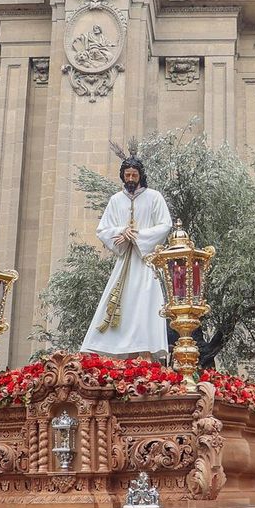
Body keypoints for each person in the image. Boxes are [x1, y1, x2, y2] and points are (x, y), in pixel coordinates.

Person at [80, 153, 174, 359]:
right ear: (122, 176)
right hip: (124, 263)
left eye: (134, 175)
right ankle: (118, 350)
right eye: (127, 175)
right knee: (122, 302)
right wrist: (122, 232)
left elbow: (165, 225)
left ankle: (145, 350)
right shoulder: (116, 200)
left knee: (145, 303)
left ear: (141, 175)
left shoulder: (154, 197)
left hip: (145, 262)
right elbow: (103, 229)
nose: (131, 179)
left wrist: (137, 236)